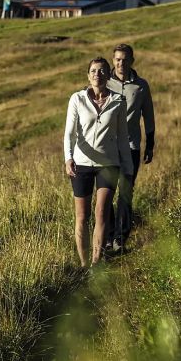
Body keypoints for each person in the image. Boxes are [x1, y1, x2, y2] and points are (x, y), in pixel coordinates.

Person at [64, 57, 134, 267]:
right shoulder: (77, 99)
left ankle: (96, 263)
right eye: (94, 71)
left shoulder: (118, 101)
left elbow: (123, 137)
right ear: (88, 75)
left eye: (102, 71)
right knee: (82, 216)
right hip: (81, 163)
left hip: (108, 164)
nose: (98, 74)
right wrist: (68, 158)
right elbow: (69, 133)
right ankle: (84, 265)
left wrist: (127, 169)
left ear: (108, 75)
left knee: (102, 212)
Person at [105, 43, 155, 253]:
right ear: (113, 60)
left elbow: (149, 116)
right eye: (117, 59)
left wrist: (150, 145)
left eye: (125, 59)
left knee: (125, 193)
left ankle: (120, 238)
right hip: (107, 148)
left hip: (131, 147)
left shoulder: (141, 86)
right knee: (106, 192)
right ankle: (107, 237)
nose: (121, 63)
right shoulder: (104, 83)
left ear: (132, 61)